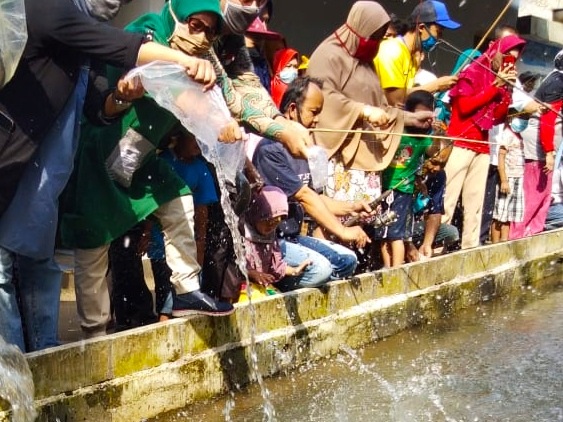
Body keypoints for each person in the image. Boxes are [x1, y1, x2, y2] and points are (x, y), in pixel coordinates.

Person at [0, 0, 215, 352]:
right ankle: (20, 366)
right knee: (8, 269)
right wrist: (185, 62)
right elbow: (127, 46)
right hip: (19, 162)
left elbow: (99, 109)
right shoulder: (53, 9)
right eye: (196, 25)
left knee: (39, 264)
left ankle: (44, 358)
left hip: (50, 177)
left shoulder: (87, 45)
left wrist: (121, 96)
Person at [59, 0, 234, 339]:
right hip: (99, 151)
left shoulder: (204, 62)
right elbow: (164, 82)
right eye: (195, 25)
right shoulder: (149, 31)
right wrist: (215, 120)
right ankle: (94, 335)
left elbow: (233, 99)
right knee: (93, 243)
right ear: (176, 15)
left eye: (211, 33)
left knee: (178, 197)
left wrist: (234, 124)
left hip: (140, 155)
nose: (201, 38)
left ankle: (186, 289)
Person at [306, 1, 432, 220]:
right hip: (338, 159)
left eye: (380, 37)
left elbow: (381, 108)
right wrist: (362, 110)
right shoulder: (328, 56)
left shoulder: (367, 63)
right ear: (359, 28)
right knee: (333, 223)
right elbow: (322, 96)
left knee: (362, 223)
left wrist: (411, 118)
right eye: (373, 36)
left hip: (367, 159)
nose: (376, 43)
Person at [253, 76, 372, 282]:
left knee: (348, 261)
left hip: (293, 237)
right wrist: (342, 231)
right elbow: (304, 196)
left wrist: (352, 207)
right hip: (269, 241)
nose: (317, 120)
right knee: (321, 270)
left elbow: (317, 197)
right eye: (313, 112)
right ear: (292, 110)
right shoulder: (270, 149)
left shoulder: (306, 148)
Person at [441, 34, 526, 250]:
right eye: (506, 57)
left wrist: (506, 90)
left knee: (475, 206)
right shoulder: (473, 71)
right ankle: (435, 249)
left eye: (514, 60)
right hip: (460, 142)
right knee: (448, 201)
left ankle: (469, 248)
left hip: (483, 145)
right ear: (496, 51)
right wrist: (495, 86)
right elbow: (465, 108)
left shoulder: (498, 79)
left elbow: (497, 117)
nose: (509, 63)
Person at [379, 90, 442, 267]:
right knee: (384, 233)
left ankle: (394, 269)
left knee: (394, 234)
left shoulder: (422, 139)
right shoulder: (398, 130)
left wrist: (436, 135)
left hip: (400, 189)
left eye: (428, 117)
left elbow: (433, 152)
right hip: (385, 187)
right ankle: (390, 268)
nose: (423, 121)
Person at [509, 50, 563, 239]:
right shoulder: (557, 83)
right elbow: (548, 118)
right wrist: (548, 152)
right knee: (533, 193)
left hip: (546, 145)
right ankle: (518, 235)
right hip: (538, 146)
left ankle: (534, 232)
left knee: (544, 194)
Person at [374, 0, 460, 107]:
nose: (439, 39)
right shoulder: (392, 50)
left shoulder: (411, 55)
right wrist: (437, 85)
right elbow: (396, 100)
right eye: (438, 32)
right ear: (421, 28)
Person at [244, 186, 323, 292]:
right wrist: (253, 273)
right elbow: (235, 266)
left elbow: (277, 265)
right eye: (267, 221)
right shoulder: (242, 233)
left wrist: (295, 270)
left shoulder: (271, 236)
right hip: (243, 287)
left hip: (260, 286)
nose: (270, 227)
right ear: (257, 214)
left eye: (275, 223)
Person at [491, 111, 527, 243]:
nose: (524, 120)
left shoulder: (519, 135)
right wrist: (504, 180)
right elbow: (501, 157)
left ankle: (504, 241)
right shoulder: (506, 134)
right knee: (500, 213)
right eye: (521, 117)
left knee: (509, 214)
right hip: (508, 177)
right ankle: (495, 243)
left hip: (518, 177)